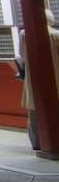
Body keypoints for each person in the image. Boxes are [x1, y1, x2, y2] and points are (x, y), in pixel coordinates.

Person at [20, 10, 59, 150]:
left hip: (33, 78)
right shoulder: (56, 35)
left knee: (34, 113)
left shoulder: (24, 34)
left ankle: (36, 144)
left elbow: (23, 55)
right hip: (55, 76)